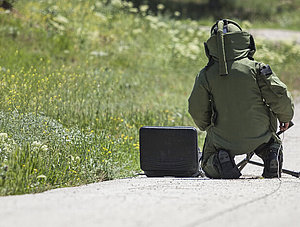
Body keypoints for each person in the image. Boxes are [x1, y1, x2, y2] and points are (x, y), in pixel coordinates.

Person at [188, 19, 294, 179]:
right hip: (261, 134)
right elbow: (279, 94)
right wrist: (285, 118)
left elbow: (196, 108)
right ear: (243, 40)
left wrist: (207, 126)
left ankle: (220, 162)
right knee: (271, 142)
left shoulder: (205, 75)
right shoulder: (257, 68)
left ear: (211, 45)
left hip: (222, 139)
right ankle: (271, 155)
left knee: (207, 162)